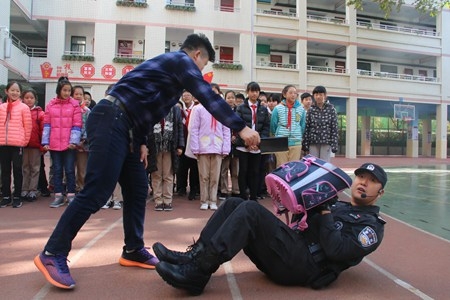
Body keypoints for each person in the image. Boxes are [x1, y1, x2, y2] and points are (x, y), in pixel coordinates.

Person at [33, 33, 260, 290]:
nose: (200, 71)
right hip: (112, 119)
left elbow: (143, 103)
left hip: (126, 126)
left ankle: (132, 249)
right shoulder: (181, 62)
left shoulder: (171, 73)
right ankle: (53, 253)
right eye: (204, 64)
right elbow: (208, 96)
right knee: (97, 191)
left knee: (138, 188)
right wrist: (241, 128)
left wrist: (140, 141)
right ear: (197, 55)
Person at [153, 162, 388, 296]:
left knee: (251, 211)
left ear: (380, 192)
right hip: (289, 251)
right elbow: (298, 220)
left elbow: (337, 251)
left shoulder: (371, 228)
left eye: (371, 180)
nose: (363, 182)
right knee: (236, 203)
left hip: (304, 266)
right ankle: (194, 258)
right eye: (360, 176)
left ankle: (198, 271)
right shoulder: (337, 204)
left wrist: (324, 211)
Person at [42, 77, 82, 207]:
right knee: (57, 170)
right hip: (54, 144)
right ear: (59, 90)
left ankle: (71, 194)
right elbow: (47, 124)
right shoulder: (51, 105)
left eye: (69, 90)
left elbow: (77, 125)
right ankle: (58, 195)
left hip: (69, 145)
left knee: (70, 170)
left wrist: (74, 141)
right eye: (64, 90)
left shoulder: (74, 104)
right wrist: (45, 142)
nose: (66, 93)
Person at [190, 83, 230, 210]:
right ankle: (204, 200)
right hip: (203, 147)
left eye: (215, 92)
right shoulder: (199, 109)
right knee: (204, 176)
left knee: (215, 176)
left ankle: (213, 200)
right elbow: (194, 129)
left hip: (218, 146)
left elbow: (226, 130)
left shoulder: (223, 109)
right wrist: (195, 147)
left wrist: (226, 148)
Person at [235, 82, 270, 201]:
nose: (254, 93)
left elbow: (266, 127)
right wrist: (245, 142)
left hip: (257, 146)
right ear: (247, 92)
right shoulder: (240, 108)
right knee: (243, 171)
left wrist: (258, 142)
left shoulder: (263, 109)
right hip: (243, 145)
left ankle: (254, 197)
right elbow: (237, 126)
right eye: (252, 91)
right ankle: (243, 197)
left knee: (255, 171)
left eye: (257, 91)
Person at [0, 81, 32, 208]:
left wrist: (24, 141)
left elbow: (27, 126)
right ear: (6, 91)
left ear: (20, 93)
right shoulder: (1, 108)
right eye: (12, 90)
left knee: (18, 170)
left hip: (17, 144)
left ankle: (17, 196)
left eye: (17, 91)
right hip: (3, 144)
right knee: (5, 170)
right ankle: (6, 196)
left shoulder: (23, 108)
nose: (15, 93)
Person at [148, 103, 184, 211]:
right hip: (155, 146)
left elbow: (179, 127)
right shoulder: (151, 108)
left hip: (170, 146)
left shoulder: (175, 109)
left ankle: (167, 201)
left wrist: (180, 145)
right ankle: (158, 200)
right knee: (156, 174)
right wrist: (146, 145)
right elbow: (145, 127)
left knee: (168, 175)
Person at [270, 84, 306, 167]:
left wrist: (298, 135)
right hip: (281, 141)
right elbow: (273, 125)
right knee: (281, 166)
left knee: (294, 167)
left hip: (296, 141)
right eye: (291, 93)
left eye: (295, 93)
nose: (293, 95)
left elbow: (302, 125)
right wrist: (278, 135)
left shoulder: (301, 109)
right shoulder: (278, 108)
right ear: (284, 94)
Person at [302, 85, 338, 162]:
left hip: (326, 141)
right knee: (313, 163)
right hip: (313, 142)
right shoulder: (311, 109)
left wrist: (334, 143)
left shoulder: (331, 109)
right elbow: (307, 127)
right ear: (313, 96)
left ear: (325, 95)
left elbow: (334, 127)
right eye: (316, 95)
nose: (318, 97)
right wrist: (305, 143)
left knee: (324, 164)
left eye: (320, 94)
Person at [21, 89, 44, 202]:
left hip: (35, 146)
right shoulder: (20, 111)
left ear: (35, 99)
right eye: (26, 97)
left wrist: (42, 145)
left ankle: (33, 190)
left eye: (31, 98)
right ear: (22, 99)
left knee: (35, 168)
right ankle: (24, 189)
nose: (29, 100)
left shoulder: (40, 113)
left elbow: (43, 130)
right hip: (23, 145)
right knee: (25, 168)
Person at [177, 90, 200, 200]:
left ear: (192, 97)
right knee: (182, 167)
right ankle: (181, 188)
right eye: (184, 95)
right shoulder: (179, 110)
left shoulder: (196, 109)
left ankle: (193, 189)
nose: (186, 97)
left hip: (194, 142)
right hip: (182, 142)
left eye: (188, 95)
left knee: (194, 167)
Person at [219, 90, 239, 199]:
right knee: (224, 170)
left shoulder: (239, 111)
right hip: (225, 145)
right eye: (228, 97)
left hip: (236, 146)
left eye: (232, 97)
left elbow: (242, 125)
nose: (230, 99)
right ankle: (224, 190)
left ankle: (236, 190)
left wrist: (236, 136)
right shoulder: (222, 112)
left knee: (235, 170)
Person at [72, 85, 90, 193]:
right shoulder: (68, 109)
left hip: (83, 145)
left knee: (82, 169)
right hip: (70, 144)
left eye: (80, 94)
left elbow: (90, 126)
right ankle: (71, 189)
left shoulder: (87, 111)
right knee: (69, 169)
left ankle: (82, 189)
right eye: (76, 94)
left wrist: (83, 140)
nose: (78, 96)